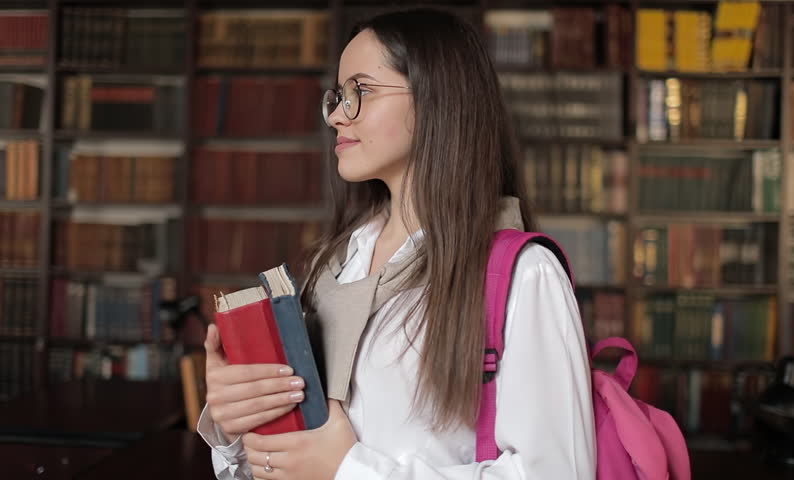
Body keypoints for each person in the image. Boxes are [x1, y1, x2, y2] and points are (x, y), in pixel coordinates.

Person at [198, 8, 595, 480]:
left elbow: (557, 473)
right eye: (337, 96)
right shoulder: (338, 264)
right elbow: (289, 457)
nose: (336, 117)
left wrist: (349, 470)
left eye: (360, 92)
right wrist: (234, 425)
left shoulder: (521, 274)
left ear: (436, 99)